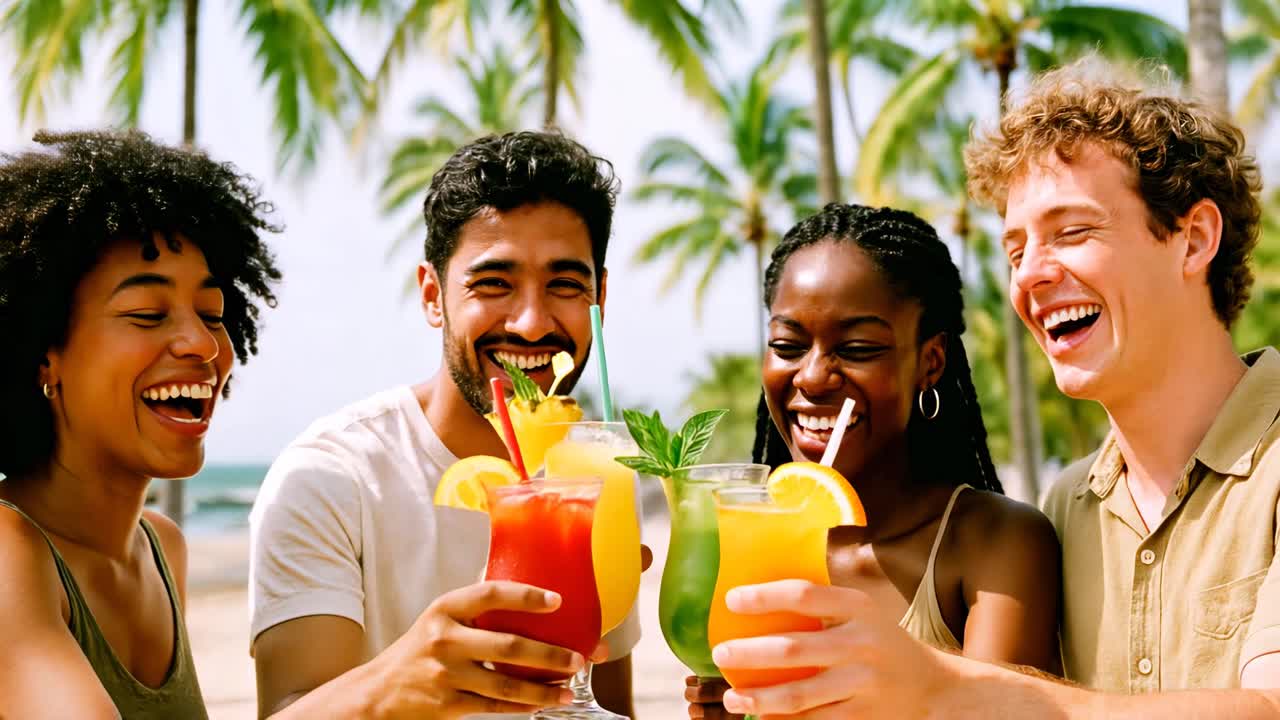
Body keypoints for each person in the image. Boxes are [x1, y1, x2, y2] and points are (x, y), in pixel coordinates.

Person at [705, 61, 1280, 718]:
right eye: (1015, 251)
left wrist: (950, 688)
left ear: (1194, 238)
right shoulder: (1071, 507)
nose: (1031, 274)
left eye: (1072, 231)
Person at [249, 130, 643, 719]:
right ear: (433, 295)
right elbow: (284, 711)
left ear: (600, 299)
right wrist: (400, 680)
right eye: (493, 283)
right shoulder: (330, 477)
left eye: (564, 284)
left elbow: (603, 709)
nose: (533, 323)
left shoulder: (599, 465)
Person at [687, 203, 1061, 719]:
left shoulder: (993, 544)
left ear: (930, 362)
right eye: (787, 344)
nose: (813, 377)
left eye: (858, 348)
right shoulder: (739, 537)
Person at [0, 129, 281, 718]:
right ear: (45, 353)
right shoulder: (8, 552)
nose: (203, 343)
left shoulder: (161, 548)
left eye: (212, 314)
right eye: (148, 314)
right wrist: (377, 692)